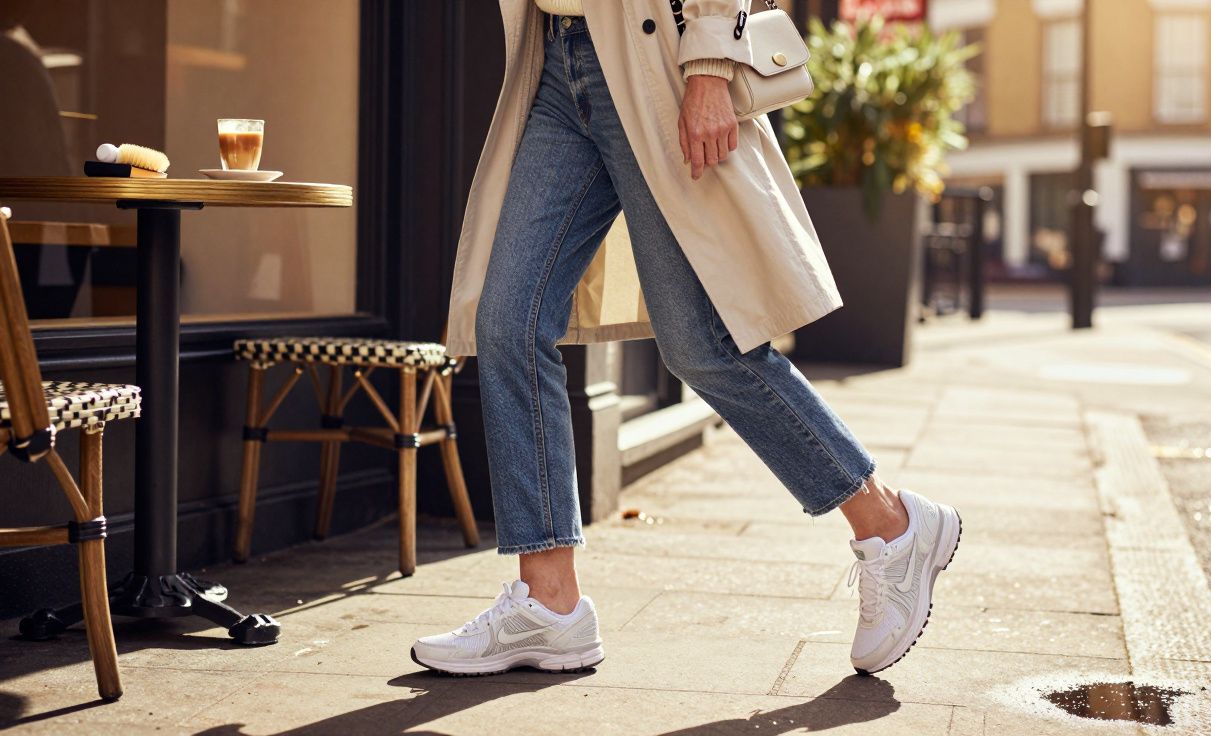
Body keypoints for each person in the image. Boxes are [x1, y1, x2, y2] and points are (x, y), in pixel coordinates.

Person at [411, 0, 961, 677]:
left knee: (703, 346)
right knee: (507, 325)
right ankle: (549, 604)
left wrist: (707, 67)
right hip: (554, 63)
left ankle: (888, 523)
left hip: (648, 59)